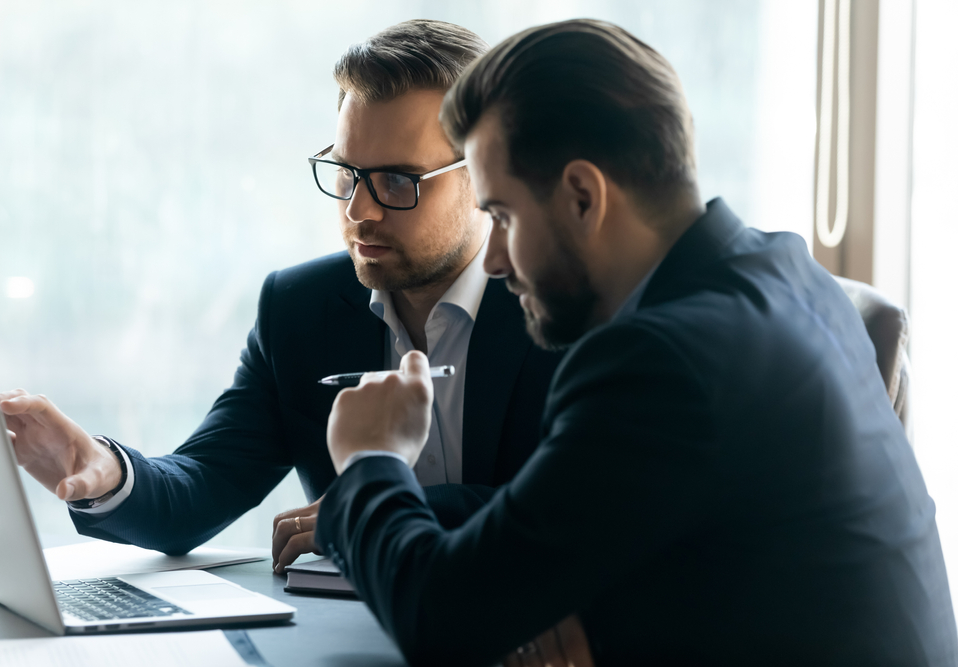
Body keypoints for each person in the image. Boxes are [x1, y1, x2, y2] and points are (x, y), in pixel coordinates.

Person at [313, 18, 958, 666]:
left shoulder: (660, 361)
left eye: (503, 216)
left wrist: (371, 459)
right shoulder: (790, 275)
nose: (499, 258)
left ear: (583, 197)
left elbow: (442, 618)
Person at [0, 19, 562, 573]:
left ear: (484, 174)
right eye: (346, 175)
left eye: (397, 181)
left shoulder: (568, 304)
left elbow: (584, 506)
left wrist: (371, 508)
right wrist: (100, 470)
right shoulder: (299, 309)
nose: (360, 211)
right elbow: (203, 485)